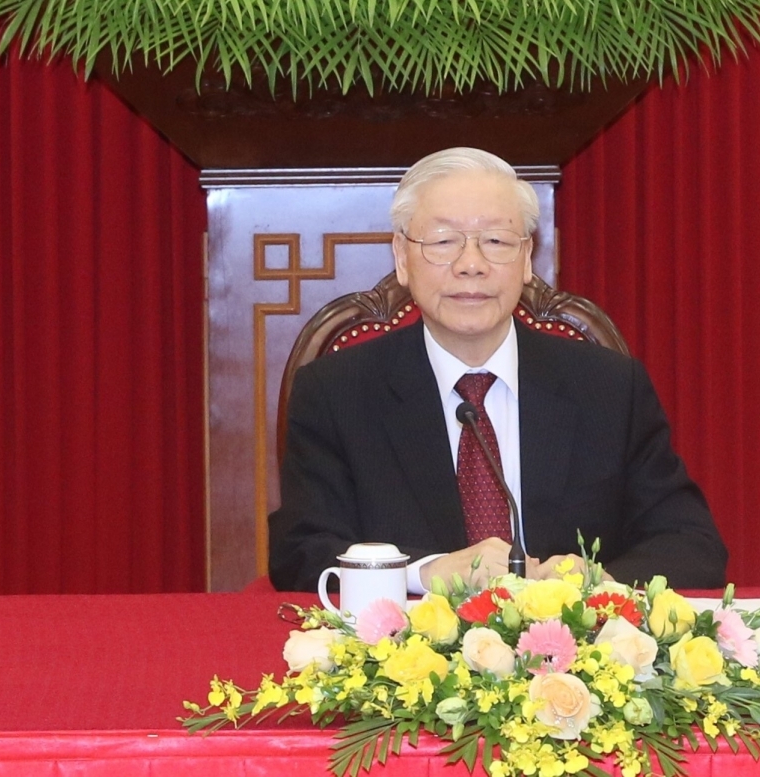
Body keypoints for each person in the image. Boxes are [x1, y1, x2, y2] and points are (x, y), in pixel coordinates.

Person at [268, 147, 727, 592]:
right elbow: (301, 552)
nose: (472, 265)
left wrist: (598, 584)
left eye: (496, 242)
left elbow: (691, 544)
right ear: (402, 258)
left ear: (527, 259)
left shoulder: (607, 388)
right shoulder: (337, 392)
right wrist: (424, 574)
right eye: (444, 242)